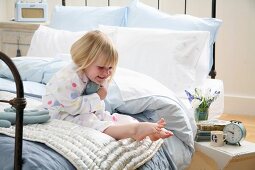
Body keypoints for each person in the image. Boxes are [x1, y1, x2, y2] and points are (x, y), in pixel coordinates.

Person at [42, 30, 173, 141]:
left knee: (111, 117)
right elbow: (72, 107)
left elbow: (95, 106)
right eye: (101, 67)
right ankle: (134, 131)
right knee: (91, 123)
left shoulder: (93, 73)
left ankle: (144, 130)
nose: (106, 73)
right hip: (61, 114)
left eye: (110, 67)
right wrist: (98, 96)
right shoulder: (68, 78)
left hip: (85, 111)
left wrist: (99, 96)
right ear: (84, 60)